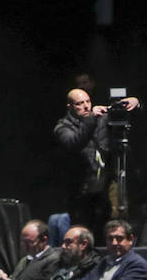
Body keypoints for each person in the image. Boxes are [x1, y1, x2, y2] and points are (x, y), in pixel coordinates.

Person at [53, 87, 140, 236]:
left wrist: (135, 103)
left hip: (104, 187)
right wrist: (90, 119)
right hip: (82, 191)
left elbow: (122, 117)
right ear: (70, 107)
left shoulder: (100, 119)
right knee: (84, 232)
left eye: (88, 101)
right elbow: (74, 142)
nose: (86, 106)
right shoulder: (63, 127)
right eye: (80, 103)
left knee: (109, 228)